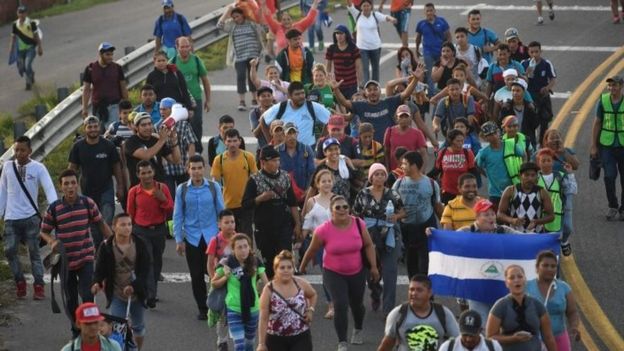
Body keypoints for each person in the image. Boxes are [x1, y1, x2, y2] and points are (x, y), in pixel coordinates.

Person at [299, 195, 379, 351]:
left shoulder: (358, 223)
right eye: (338, 207)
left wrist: (374, 267)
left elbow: (369, 245)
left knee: (357, 305)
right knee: (340, 305)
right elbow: (312, 249)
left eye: (345, 207)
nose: (342, 210)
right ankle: (342, 341)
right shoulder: (323, 230)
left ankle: (358, 329)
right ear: (331, 211)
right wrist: (301, 267)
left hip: (357, 271)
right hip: (333, 272)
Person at [39, 169, 112, 336]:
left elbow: (101, 223)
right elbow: (43, 231)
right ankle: (76, 331)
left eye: (73, 183)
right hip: (65, 262)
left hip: (85, 256)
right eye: (66, 184)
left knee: (87, 295)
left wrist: (113, 243)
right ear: (61, 187)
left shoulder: (87, 203)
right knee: (70, 300)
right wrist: (51, 241)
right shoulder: (54, 209)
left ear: (77, 184)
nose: (70, 187)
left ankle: (89, 331)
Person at [0, 136, 57, 300]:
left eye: (22, 150)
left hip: (31, 218)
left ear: (30, 151)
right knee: (9, 251)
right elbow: (2, 191)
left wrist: (54, 211)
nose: (18, 153)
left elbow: (49, 189)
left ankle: (39, 285)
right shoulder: (8, 167)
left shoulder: (38, 168)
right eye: (16, 149)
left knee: (34, 253)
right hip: (11, 218)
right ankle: (20, 281)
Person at [173, 155, 225, 320]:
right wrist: (178, 240)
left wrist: (226, 235)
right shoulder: (182, 189)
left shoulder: (213, 187)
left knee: (215, 273)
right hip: (192, 237)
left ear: (204, 169)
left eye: (199, 168)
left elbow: (221, 211)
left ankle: (218, 305)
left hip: (212, 237)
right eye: (193, 168)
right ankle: (203, 308)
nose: (196, 172)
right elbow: (178, 215)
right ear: (188, 170)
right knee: (196, 275)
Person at [352, 163, 405, 316]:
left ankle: (388, 309)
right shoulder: (363, 194)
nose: (380, 177)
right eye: (376, 174)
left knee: (390, 271)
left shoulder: (393, 194)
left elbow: (403, 211)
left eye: (382, 174)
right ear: (371, 177)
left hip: (390, 234)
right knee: (371, 272)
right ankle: (375, 294)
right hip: (369, 236)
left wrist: (397, 216)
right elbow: (355, 215)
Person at [91, 213, 150, 349]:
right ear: (114, 227)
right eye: (123, 225)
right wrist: (96, 283)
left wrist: (134, 286)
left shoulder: (140, 244)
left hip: (137, 293)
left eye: (129, 224)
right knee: (117, 328)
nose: (127, 228)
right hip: (117, 292)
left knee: (138, 327)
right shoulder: (106, 247)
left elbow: (145, 271)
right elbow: (99, 270)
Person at [242, 146, 302, 278]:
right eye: (273, 161)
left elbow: (292, 202)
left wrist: (297, 224)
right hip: (264, 229)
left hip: (283, 226)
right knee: (268, 267)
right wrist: (260, 198)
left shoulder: (285, 176)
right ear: (263, 162)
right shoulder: (254, 180)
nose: (277, 163)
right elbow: (245, 204)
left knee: (284, 261)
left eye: (278, 160)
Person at [69, 116, 124, 250]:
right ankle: (99, 249)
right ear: (85, 129)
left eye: (95, 127)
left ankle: (110, 246)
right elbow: (72, 169)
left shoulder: (108, 145)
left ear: (99, 127)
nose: (93, 130)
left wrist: (121, 186)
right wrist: (70, 189)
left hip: (106, 188)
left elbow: (117, 167)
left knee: (107, 218)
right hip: (87, 190)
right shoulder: (78, 147)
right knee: (93, 223)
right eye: (90, 127)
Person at [127, 161, 174, 309]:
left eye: (149, 172)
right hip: (141, 231)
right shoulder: (134, 192)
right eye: (143, 173)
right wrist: (129, 233)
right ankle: (150, 296)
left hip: (159, 230)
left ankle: (151, 290)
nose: (146, 176)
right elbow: (130, 214)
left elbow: (171, 209)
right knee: (149, 261)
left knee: (157, 263)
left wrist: (163, 199)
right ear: (138, 175)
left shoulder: (162, 188)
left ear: (153, 172)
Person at [211, 233, 269, 351]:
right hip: (233, 309)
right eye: (239, 247)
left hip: (253, 309)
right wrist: (225, 277)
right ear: (233, 249)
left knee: (249, 344)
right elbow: (214, 283)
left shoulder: (256, 262)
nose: (243, 250)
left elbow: (267, 284)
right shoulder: (226, 263)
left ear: (249, 247)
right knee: (240, 346)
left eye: (245, 246)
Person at [332, 69, 422, 143]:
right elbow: (344, 102)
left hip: (388, 145)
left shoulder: (388, 102)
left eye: (375, 89)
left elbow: (406, 93)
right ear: (365, 93)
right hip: (369, 148)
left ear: (380, 91)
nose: (372, 92)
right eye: (369, 90)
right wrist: (336, 89)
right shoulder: (361, 106)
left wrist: (415, 79)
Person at [393, 151, 443, 278]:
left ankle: (427, 293)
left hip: (426, 228)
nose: (402, 167)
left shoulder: (431, 184)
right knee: (411, 262)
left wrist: (444, 230)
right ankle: (414, 289)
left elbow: (437, 207)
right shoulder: (398, 183)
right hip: (407, 230)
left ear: (415, 165)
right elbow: (392, 205)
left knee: (425, 263)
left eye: (405, 164)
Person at [378, 275, 460, 351]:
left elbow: (459, 342)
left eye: (419, 290)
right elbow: (387, 343)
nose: (414, 293)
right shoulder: (397, 314)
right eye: (411, 289)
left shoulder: (444, 313)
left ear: (430, 293)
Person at [257, 250, 318, 351]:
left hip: (301, 336)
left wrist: (311, 310)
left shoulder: (300, 283)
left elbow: (313, 294)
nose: (286, 270)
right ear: (275, 269)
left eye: (289, 267)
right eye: (282, 267)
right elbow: (263, 318)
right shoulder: (269, 289)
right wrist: (261, 344)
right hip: (275, 339)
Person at [486, 265, 557, 351]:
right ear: (506, 283)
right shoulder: (500, 306)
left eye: (520, 276)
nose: (516, 280)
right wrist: (512, 339)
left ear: (525, 280)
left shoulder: (537, 305)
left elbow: (548, 337)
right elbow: (490, 337)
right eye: (511, 278)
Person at [526, 251, 580, 351]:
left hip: (559, 337)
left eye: (553, 266)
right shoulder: (526, 287)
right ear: (537, 267)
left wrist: (574, 326)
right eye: (545, 265)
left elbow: (572, 312)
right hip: (532, 339)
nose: (549, 269)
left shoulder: (564, 288)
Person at [300, 169, 334, 319]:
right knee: (327, 274)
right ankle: (331, 304)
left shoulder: (338, 199)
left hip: (337, 242)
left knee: (339, 274)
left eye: (329, 180)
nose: (327, 184)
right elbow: (307, 225)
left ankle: (340, 301)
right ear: (317, 184)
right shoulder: (311, 202)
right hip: (319, 243)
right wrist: (301, 240)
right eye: (323, 181)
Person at [211, 128, 258, 237]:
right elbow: (215, 182)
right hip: (228, 205)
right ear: (225, 142)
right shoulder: (219, 159)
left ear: (240, 141)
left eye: (235, 141)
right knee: (229, 237)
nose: (232, 144)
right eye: (229, 141)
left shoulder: (248, 157)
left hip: (246, 204)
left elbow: (256, 179)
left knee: (246, 235)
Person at [218, 5, 264, 110]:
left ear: (243, 15)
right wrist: (227, 11)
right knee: (240, 76)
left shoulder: (251, 24)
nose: (235, 19)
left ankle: (254, 99)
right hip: (239, 56)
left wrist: (260, 12)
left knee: (252, 77)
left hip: (253, 54)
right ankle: (242, 101)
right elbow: (219, 26)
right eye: (234, 17)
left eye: (237, 16)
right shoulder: (232, 26)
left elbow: (262, 27)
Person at [590, 75, 624, 220]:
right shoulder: (603, 101)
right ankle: (613, 206)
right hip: (607, 145)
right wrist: (593, 145)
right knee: (609, 176)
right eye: (610, 86)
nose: (612, 88)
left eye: (615, 85)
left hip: (622, 144)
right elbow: (597, 123)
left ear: (621, 86)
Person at [171, 36, 211, 154]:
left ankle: (197, 149)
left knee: (197, 123)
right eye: (182, 47)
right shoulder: (172, 62)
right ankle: (183, 149)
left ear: (190, 47)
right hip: (179, 100)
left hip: (195, 98)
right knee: (181, 125)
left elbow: (205, 80)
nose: (185, 49)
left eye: (187, 46)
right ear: (177, 48)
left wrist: (208, 100)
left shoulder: (197, 61)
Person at [262, 81, 331, 147]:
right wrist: (271, 142)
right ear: (289, 96)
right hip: (286, 150)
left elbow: (330, 120)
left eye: (302, 93)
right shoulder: (281, 107)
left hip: (308, 150)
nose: (301, 96)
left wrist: (322, 140)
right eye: (297, 94)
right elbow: (263, 119)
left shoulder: (312, 106)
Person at [206, 210, 237, 351]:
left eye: (232, 222)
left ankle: (236, 338)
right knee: (221, 312)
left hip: (235, 282)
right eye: (226, 222)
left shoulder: (238, 239)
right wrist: (214, 278)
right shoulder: (215, 240)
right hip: (221, 281)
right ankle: (222, 340)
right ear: (219, 224)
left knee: (235, 309)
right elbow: (210, 262)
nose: (230, 225)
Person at [124, 112, 181, 187]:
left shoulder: (157, 139)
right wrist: (162, 140)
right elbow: (146, 156)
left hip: (159, 185)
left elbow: (176, 160)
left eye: (150, 124)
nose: (148, 127)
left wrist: (174, 141)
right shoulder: (131, 142)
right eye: (143, 125)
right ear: (136, 127)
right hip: (140, 188)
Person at [348, 0, 397, 83]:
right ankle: (366, 88)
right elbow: (349, 4)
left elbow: (385, 17)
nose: (366, 8)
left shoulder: (375, 15)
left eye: (368, 6)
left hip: (375, 47)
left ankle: (375, 86)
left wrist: (391, 19)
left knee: (375, 69)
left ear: (371, 7)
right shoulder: (357, 15)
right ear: (361, 7)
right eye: (364, 6)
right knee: (365, 69)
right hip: (362, 48)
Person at [498, 162, 554, 233]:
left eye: (533, 175)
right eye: (526, 175)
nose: (530, 178)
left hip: (535, 234)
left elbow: (551, 216)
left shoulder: (542, 192)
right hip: (514, 234)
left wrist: (537, 222)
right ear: (520, 176)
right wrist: (512, 220)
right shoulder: (510, 190)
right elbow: (499, 214)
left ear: (537, 176)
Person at [81, 42, 129, 126]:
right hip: (97, 106)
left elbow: (123, 87)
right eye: (107, 54)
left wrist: (126, 104)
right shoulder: (90, 69)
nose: (110, 57)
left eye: (111, 54)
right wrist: (84, 108)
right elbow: (86, 89)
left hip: (114, 105)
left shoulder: (117, 68)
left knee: (112, 130)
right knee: (98, 131)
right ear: (100, 54)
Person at [159, 103, 198, 199]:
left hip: (183, 167)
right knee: (170, 196)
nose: (162, 112)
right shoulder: (159, 126)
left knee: (186, 196)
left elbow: (191, 144)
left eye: (165, 109)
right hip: (167, 169)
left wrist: (190, 163)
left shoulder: (184, 125)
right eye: (161, 109)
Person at [522, 41, 557, 145]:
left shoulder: (546, 64)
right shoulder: (524, 64)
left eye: (536, 52)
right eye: (532, 52)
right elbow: (520, 80)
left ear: (540, 51)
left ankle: (543, 143)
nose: (534, 54)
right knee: (530, 122)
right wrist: (527, 73)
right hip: (529, 98)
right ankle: (531, 144)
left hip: (542, 97)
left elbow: (553, 79)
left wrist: (547, 87)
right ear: (528, 52)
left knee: (544, 121)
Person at [432, 129, 477, 204]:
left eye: (462, 141)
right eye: (457, 141)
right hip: (447, 192)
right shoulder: (443, 152)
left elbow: (473, 172)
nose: (460, 144)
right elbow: (436, 170)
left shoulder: (467, 153)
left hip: (464, 192)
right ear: (451, 141)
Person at [475, 122, 514, 209]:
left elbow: (523, 154)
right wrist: (486, 174)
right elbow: (476, 164)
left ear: (499, 132)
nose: (494, 136)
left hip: (512, 189)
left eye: (495, 133)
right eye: (490, 135)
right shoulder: (484, 152)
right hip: (495, 192)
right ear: (485, 138)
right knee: (496, 218)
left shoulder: (509, 145)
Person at [415, 3, 451, 95]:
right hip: (428, 53)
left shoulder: (442, 21)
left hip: (441, 52)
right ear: (424, 12)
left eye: (431, 10)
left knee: (442, 72)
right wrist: (416, 49)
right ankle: (431, 95)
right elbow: (418, 38)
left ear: (434, 11)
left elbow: (448, 36)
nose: (429, 12)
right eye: (427, 11)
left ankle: (443, 92)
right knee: (430, 74)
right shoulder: (421, 24)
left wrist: (449, 49)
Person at [277, 123, 316, 205]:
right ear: (284, 135)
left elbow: (312, 172)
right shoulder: (277, 151)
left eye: (294, 133)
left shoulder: (306, 149)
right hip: (284, 196)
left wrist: (308, 190)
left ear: (297, 134)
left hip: (303, 195)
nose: (292, 136)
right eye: (289, 133)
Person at [384, 104, 427, 171]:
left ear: (410, 118)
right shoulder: (389, 131)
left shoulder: (417, 133)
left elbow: (424, 155)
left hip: (411, 172)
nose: (404, 119)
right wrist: (387, 170)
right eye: (401, 116)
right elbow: (386, 153)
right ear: (396, 118)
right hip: (395, 173)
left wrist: (420, 172)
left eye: (406, 116)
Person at [10, 5, 42, 91]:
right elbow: (13, 38)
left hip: (30, 49)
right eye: (19, 12)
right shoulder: (14, 25)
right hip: (20, 50)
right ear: (17, 13)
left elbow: (36, 36)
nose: (21, 14)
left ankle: (28, 83)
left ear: (26, 13)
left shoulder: (31, 23)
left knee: (27, 65)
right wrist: (11, 49)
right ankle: (31, 74)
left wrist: (40, 47)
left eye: (23, 13)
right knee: (22, 67)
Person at [325, 25, 362, 100]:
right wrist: (328, 81)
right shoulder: (331, 48)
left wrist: (360, 84)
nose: (339, 36)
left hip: (351, 85)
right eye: (337, 33)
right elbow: (328, 67)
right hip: (337, 85)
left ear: (346, 35)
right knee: (340, 107)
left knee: (351, 106)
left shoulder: (353, 48)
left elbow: (358, 67)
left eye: (341, 33)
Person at [499, 79, 539, 149]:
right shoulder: (506, 107)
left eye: (518, 91)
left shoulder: (530, 107)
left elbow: (535, 124)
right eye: (513, 90)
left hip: (527, 141)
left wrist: (533, 112)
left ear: (523, 92)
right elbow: (500, 123)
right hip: (510, 142)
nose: (515, 93)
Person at [500, 115, 532, 185]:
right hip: (507, 176)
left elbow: (530, 154)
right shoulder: (500, 142)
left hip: (523, 175)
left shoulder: (526, 139)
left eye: (514, 126)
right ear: (504, 128)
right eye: (509, 126)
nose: (512, 129)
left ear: (518, 127)